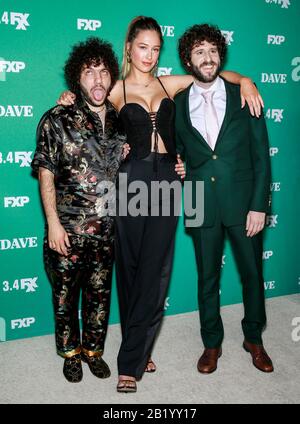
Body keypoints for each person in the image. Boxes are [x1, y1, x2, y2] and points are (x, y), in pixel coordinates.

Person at [58, 16, 264, 392]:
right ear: (130, 48)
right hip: (128, 181)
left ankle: (130, 362)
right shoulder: (116, 89)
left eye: (155, 49)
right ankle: (141, 346)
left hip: (168, 178)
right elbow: (88, 101)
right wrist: (69, 97)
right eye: (143, 47)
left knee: (157, 271)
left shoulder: (168, 84)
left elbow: (212, 76)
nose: (149, 56)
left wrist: (246, 80)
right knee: (132, 269)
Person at [175, 23, 273, 374]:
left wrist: (260, 204)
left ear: (221, 55)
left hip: (244, 202)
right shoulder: (179, 102)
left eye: (213, 50)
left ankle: (254, 339)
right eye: (199, 51)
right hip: (201, 200)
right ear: (189, 59)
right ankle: (211, 344)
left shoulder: (244, 94)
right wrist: (180, 166)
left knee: (251, 274)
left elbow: (262, 155)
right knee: (207, 279)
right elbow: (180, 153)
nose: (207, 57)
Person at [31, 37, 126, 383]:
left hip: (107, 233)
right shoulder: (57, 118)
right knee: (65, 300)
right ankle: (70, 354)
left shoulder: (119, 119)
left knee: (99, 300)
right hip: (67, 232)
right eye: (89, 72)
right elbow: (45, 172)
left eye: (103, 72)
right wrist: (53, 223)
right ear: (77, 78)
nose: (97, 80)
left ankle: (93, 351)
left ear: (111, 76)